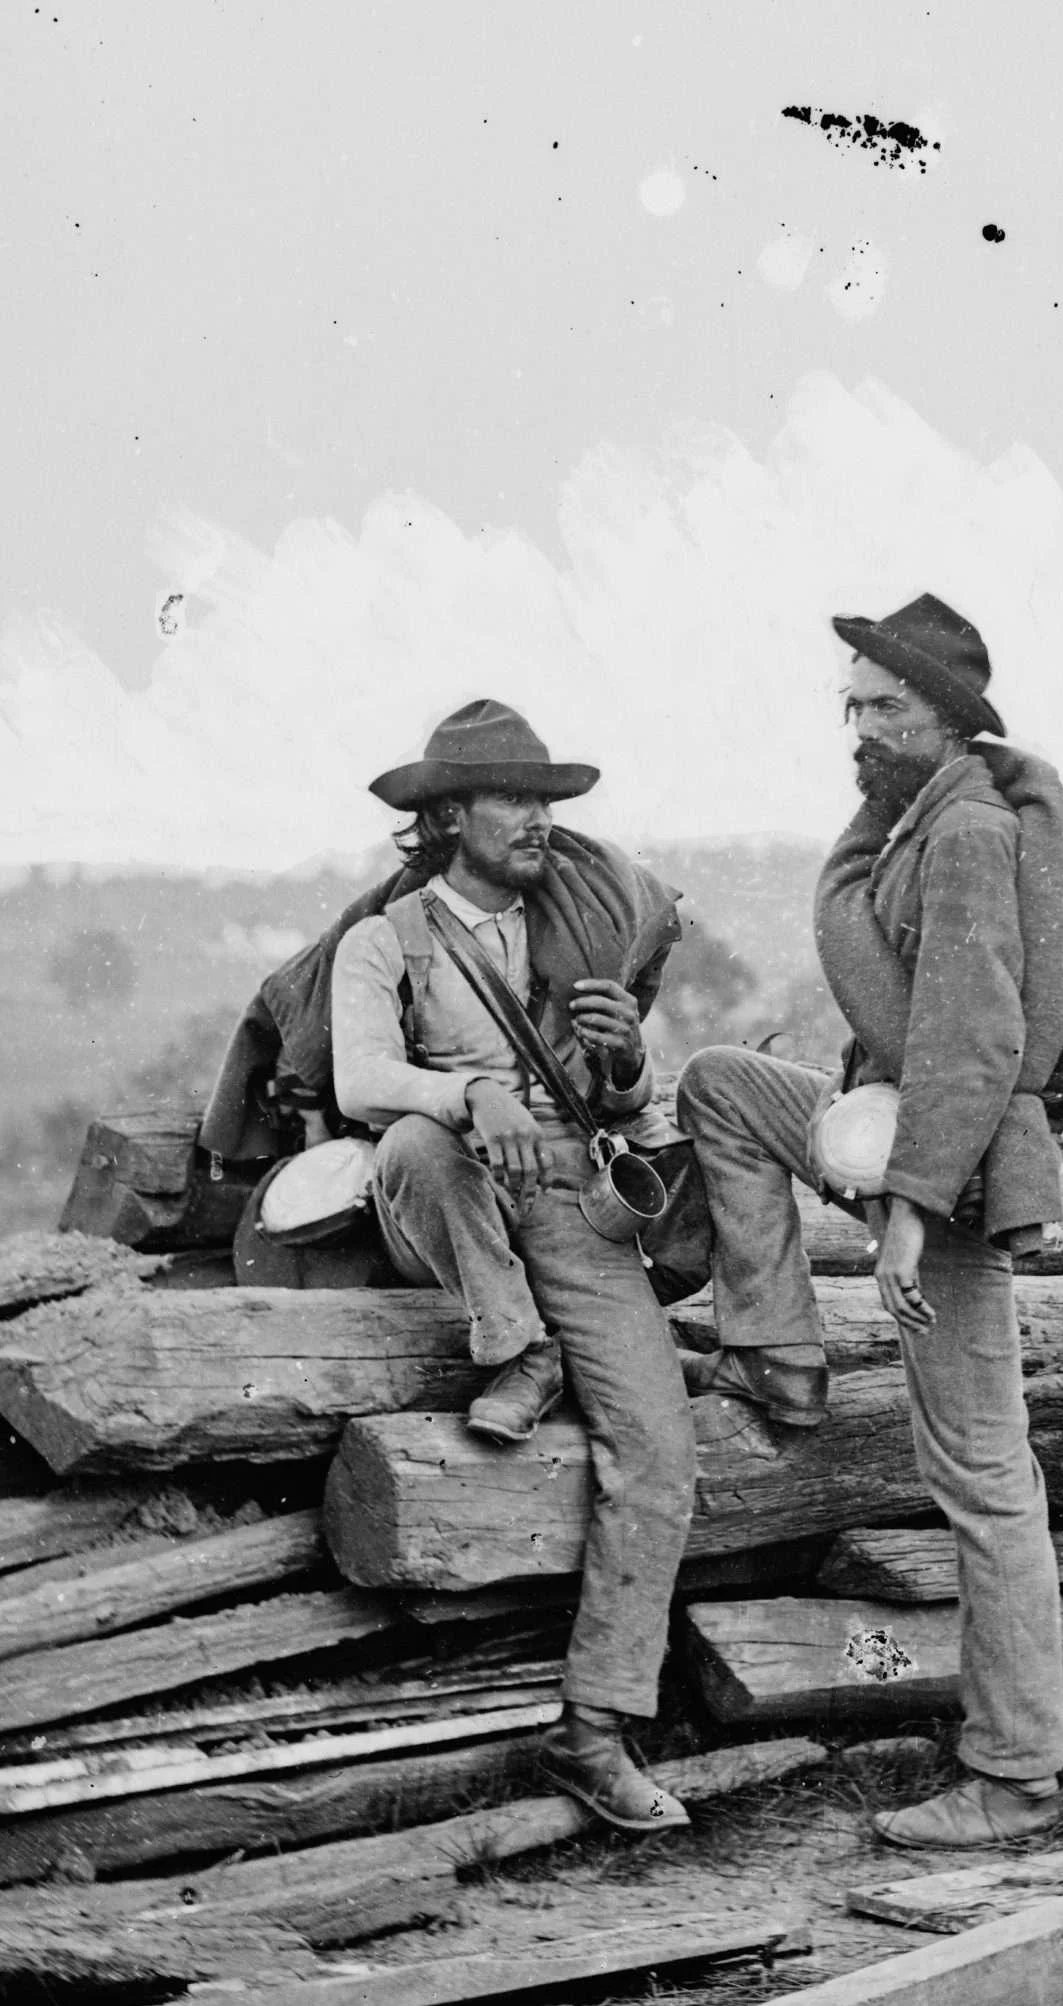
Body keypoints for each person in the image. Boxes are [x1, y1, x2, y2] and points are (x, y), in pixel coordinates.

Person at [678, 595, 1063, 1849]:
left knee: (981, 1473)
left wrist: (908, 1214)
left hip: (957, 1165)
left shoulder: (966, 829)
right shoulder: (906, 815)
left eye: (884, 708)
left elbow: (976, 1037)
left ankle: (1016, 1772)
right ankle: (782, 1352)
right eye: (849, 704)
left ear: (949, 718)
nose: (856, 727)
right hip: (900, 1122)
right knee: (720, 1084)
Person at [332, 699, 699, 1834]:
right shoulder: (386, 939)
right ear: (447, 816)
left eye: (547, 800)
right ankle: (517, 1345)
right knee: (416, 1140)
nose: (540, 820)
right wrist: (462, 1090)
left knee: (659, 1444)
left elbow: (629, 1101)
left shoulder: (574, 931)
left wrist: (627, 1060)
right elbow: (360, 1081)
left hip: (569, 1200)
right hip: (450, 1195)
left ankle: (592, 1729)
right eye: (513, 800)